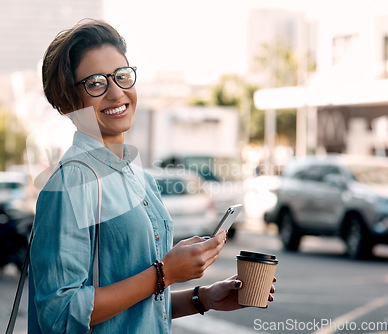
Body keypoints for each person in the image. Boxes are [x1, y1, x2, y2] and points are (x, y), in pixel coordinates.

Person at [28, 19, 276, 333]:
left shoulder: (139, 177)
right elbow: (60, 314)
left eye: (121, 76)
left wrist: (204, 298)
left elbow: (136, 308)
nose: (116, 93)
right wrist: (165, 273)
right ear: (68, 100)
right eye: (95, 83)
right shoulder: (71, 182)